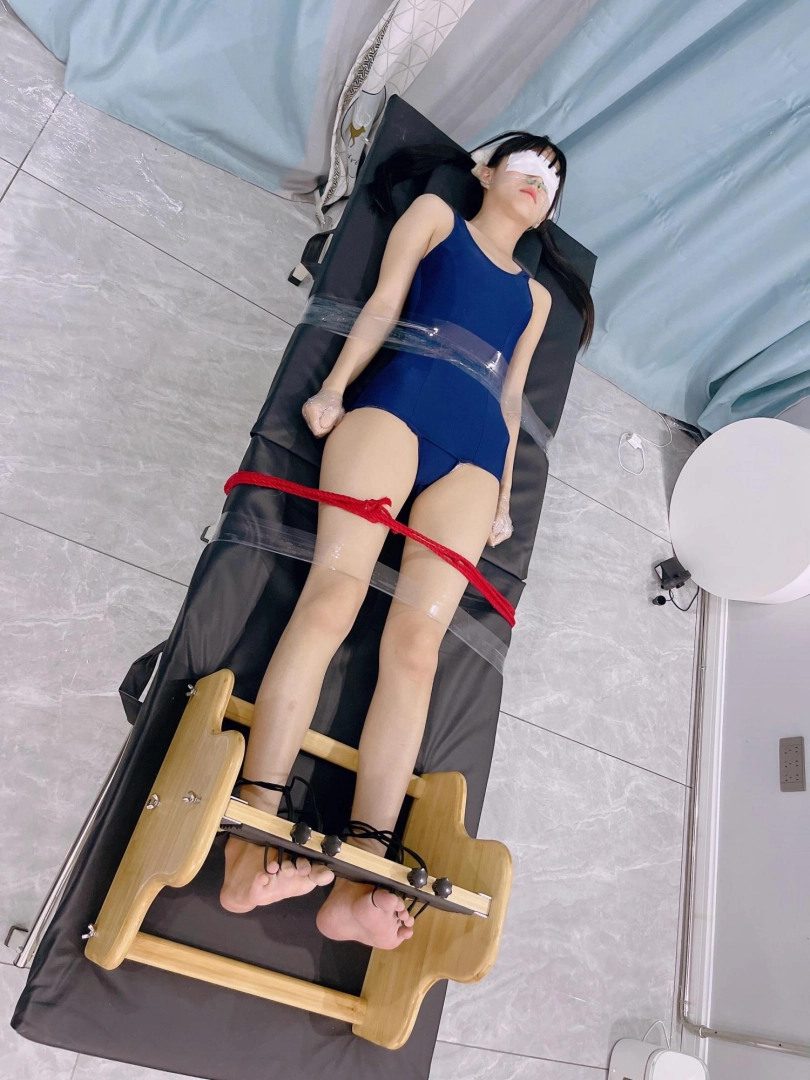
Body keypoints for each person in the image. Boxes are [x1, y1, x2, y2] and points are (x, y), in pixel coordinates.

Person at [220, 132, 594, 949]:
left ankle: (360, 877)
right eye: (529, 165)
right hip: (394, 412)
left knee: (417, 649)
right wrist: (333, 388)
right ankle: (249, 839)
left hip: (475, 460)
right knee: (333, 597)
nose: (541, 181)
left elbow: (511, 397)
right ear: (484, 172)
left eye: (554, 180)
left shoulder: (534, 300)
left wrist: (502, 497)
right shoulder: (436, 217)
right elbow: (385, 303)